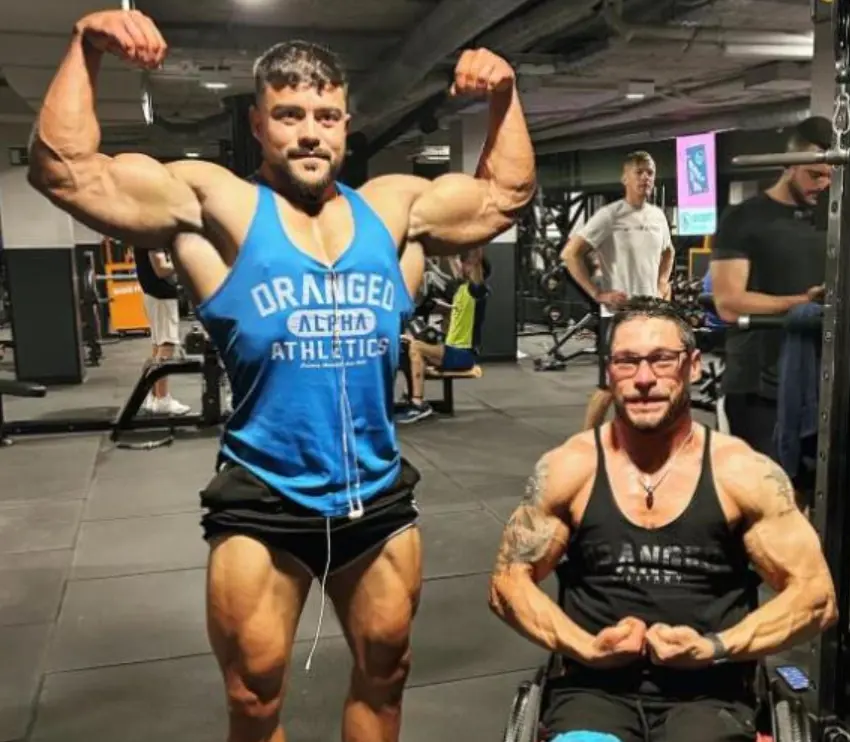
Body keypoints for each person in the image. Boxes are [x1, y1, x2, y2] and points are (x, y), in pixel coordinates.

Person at [27, 10, 535, 742]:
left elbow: (503, 197)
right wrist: (84, 44)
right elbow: (67, 172)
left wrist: (504, 97)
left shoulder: (394, 210)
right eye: (288, 114)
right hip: (264, 498)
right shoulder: (217, 204)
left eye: (325, 115)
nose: (309, 131)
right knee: (255, 697)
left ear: (346, 124)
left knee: (386, 675)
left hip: (375, 494)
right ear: (259, 126)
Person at [488, 297, 837, 742]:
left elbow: (817, 597)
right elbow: (507, 583)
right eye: (627, 362)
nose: (645, 379)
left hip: (710, 693)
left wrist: (713, 648)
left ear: (692, 366)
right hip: (593, 691)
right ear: (609, 370)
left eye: (661, 360)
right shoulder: (569, 468)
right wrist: (587, 648)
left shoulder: (743, 473)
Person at [708, 117, 833, 456]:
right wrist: (801, 303)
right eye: (815, 174)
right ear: (790, 166)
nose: (823, 184)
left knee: (810, 493)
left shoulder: (832, 220)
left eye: (831, 176)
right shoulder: (743, 218)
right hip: (757, 384)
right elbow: (729, 303)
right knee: (761, 492)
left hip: (818, 380)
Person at [560, 152, 675, 432]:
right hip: (619, 316)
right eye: (639, 172)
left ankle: (634, 439)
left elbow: (668, 252)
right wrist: (597, 294)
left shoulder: (658, 216)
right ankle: (587, 445)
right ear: (625, 178)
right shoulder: (609, 216)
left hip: (650, 314)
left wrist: (662, 283)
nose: (645, 178)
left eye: (649, 172)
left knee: (648, 381)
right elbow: (570, 254)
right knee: (610, 386)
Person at [397, 247, 490, 424]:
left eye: (468, 264)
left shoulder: (477, 291)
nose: (462, 266)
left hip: (463, 354)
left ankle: (418, 405)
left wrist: (476, 244)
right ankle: (410, 397)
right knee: (408, 347)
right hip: (452, 350)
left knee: (416, 347)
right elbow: (453, 261)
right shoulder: (460, 289)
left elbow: (474, 261)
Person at [134, 246, 191, 415]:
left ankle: (153, 397)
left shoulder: (143, 236)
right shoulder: (152, 239)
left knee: (158, 345)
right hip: (161, 296)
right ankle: (162, 399)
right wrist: (182, 263)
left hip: (154, 295)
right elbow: (161, 270)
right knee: (167, 344)